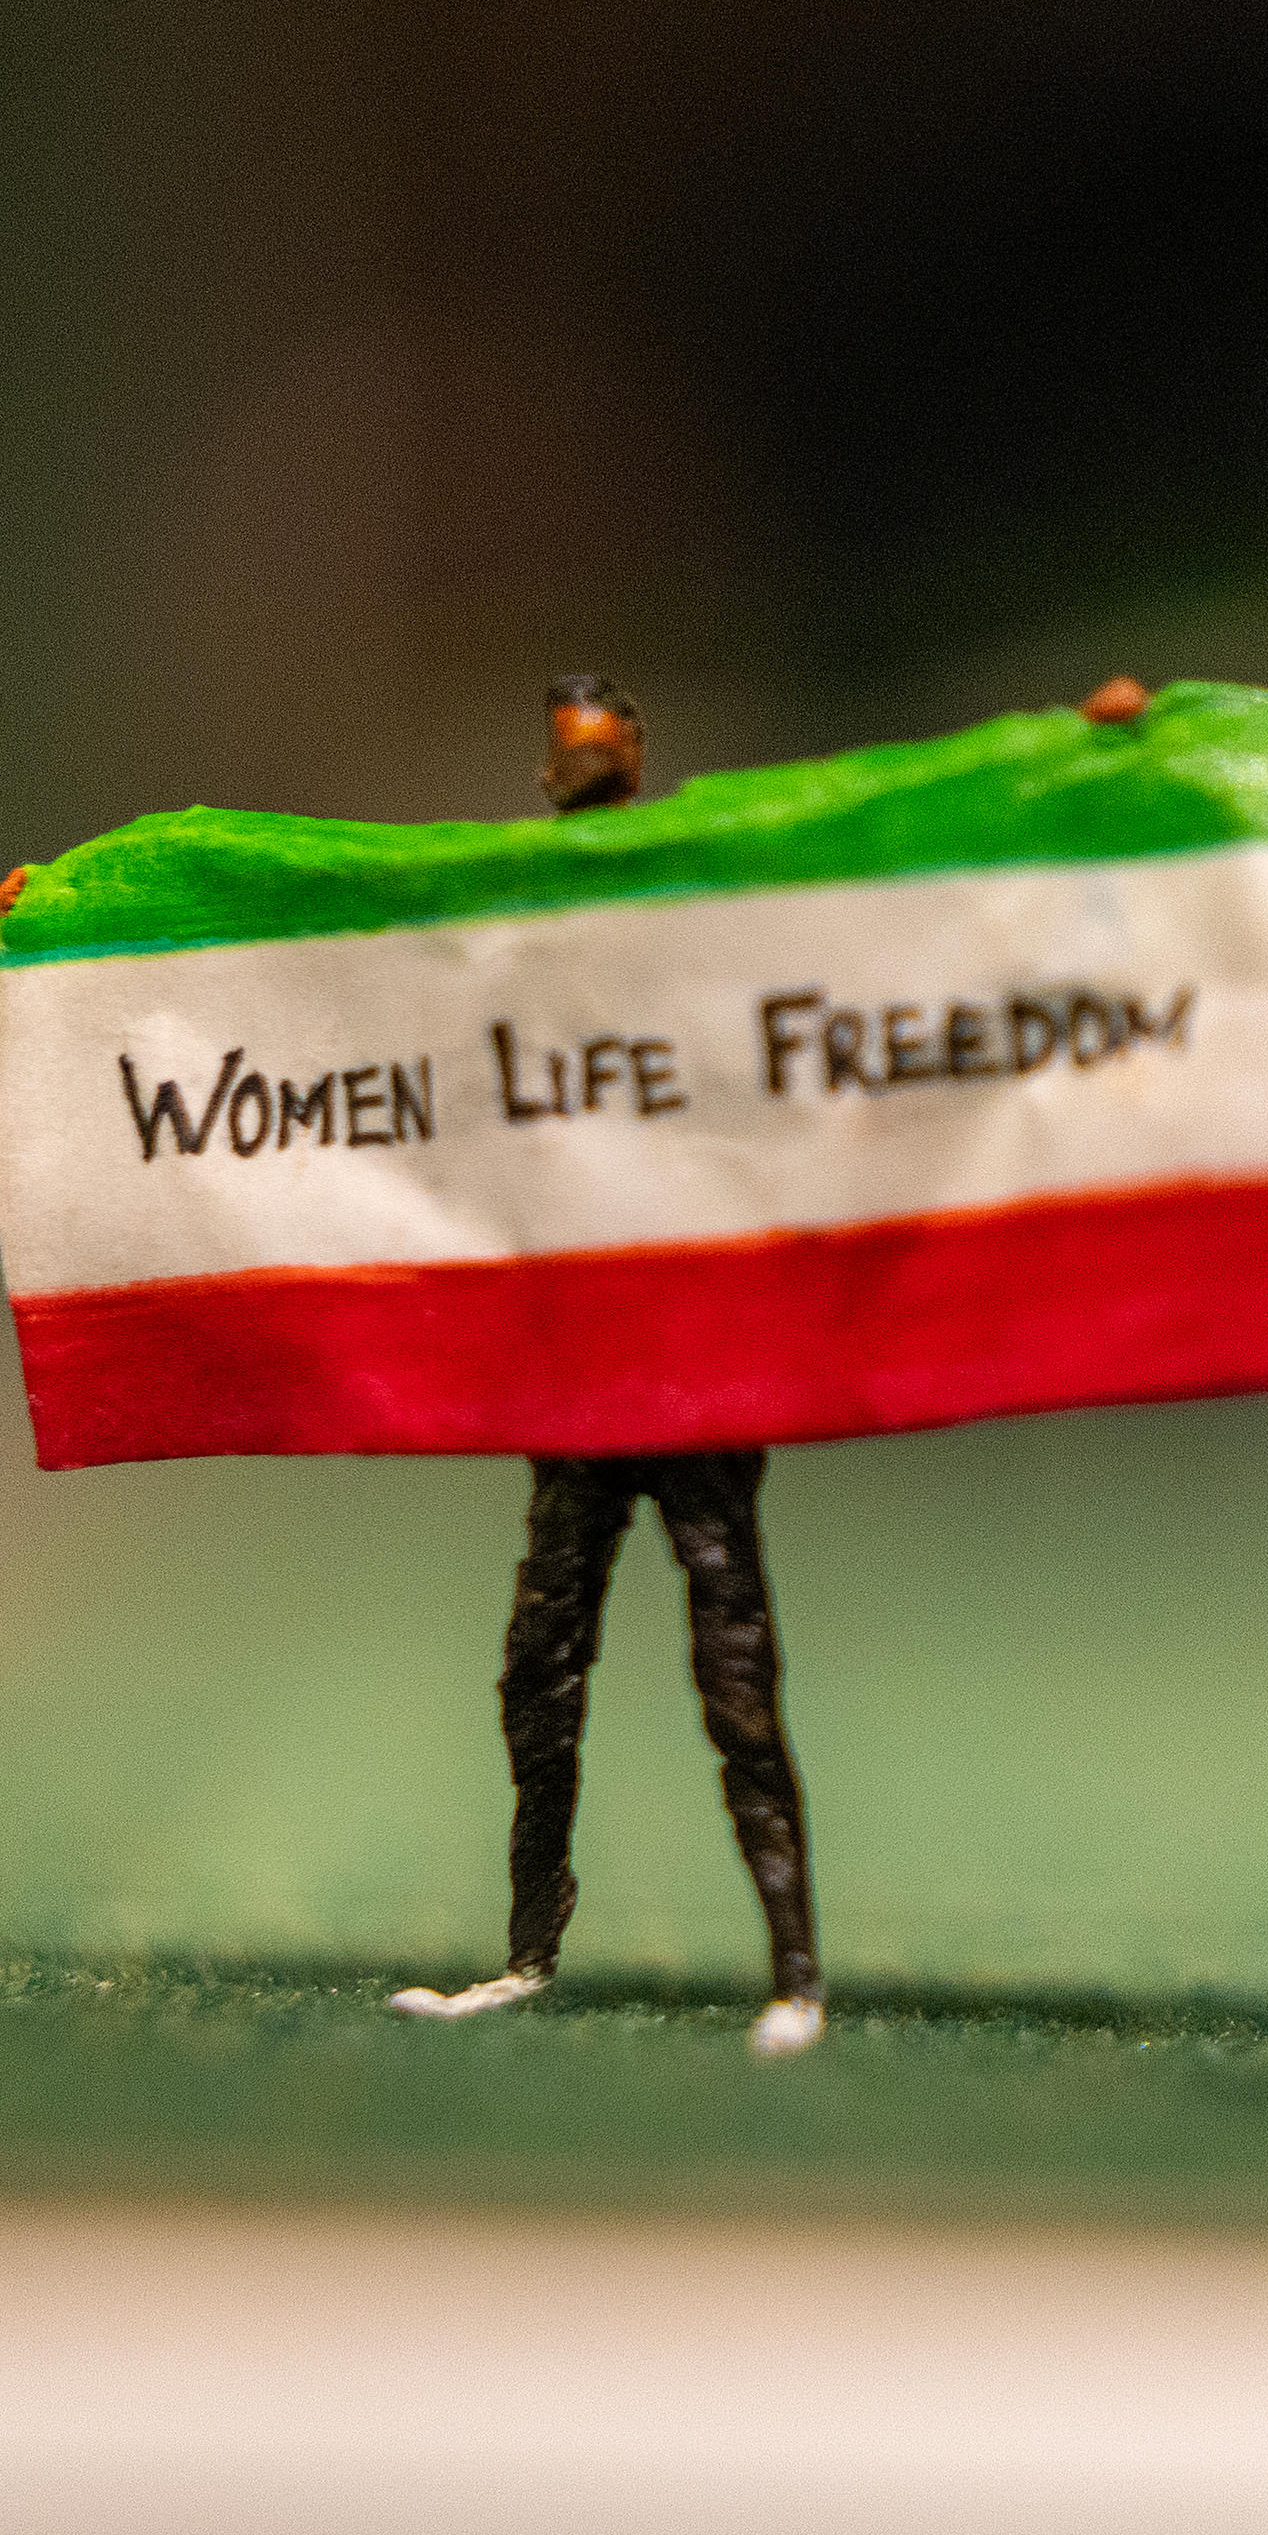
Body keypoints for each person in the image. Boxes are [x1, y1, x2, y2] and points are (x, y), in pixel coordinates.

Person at [390, 674, 829, 2057]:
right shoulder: (515, 910)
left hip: (690, 1361)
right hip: (579, 1367)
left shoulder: (694, 899)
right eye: (568, 754)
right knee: (540, 1663)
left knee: (735, 1667)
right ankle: (530, 1946)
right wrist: (77, 932)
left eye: (608, 750)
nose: (586, 770)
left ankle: (797, 1972)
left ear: (636, 760)